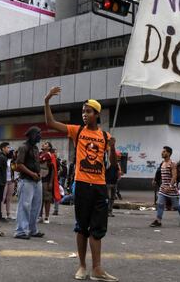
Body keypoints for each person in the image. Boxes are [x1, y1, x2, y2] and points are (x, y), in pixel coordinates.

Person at [45, 87, 118, 282]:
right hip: (82, 184)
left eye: (88, 111)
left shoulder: (105, 137)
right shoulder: (76, 131)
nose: (85, 115)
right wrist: (47, 101)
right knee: (81, 227)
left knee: (98, 229)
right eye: (83, 111)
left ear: (97, 114)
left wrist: (112, 148)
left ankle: (97, 268)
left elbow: (112, 165)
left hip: (100, 186)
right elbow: (50, 123)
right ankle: (82, 266)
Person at [14, 126, 45, 240]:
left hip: (37, 181)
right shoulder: (23, 147)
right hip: (26, 181)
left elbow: (36, 164)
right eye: (38, 134)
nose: (40, 136)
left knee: (36, 206)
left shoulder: (36, 148)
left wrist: (39, 173)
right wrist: (32, 174)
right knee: (25, 206)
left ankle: (32, 229)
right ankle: (20, 231)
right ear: (32, 135)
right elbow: (19, 165)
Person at [150, 146, 180, 228]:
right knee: (160, 203)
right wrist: (155, 180)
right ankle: (158, 221)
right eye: (162, 151)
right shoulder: (162, 163)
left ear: (168, 153)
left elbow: (174, 176)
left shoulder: (172, 164)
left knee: (176, 206)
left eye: (164, 151)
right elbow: (159, 173)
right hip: (163, 187)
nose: (162, 153)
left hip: (171, 189)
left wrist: (170, 186)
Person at [39, 142, 55, 224]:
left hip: (46, 180)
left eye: (45, 144)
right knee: (39, 199)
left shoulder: (50, 156)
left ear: (49, 148)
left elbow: (53, 170)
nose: (43, 144)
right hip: (38, 179)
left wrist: (51, 182)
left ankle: (47, 217)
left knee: (47, 199)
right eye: (43, 143)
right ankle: (39, 216)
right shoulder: (39, 154)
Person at [2, 148, 16, 220]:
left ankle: (8, 214)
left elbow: (16, 171)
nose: (14, 154)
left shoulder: (14, 161)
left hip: (11, 181)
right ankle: (1, 213)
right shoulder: (4, 159)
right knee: (3, 197)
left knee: (9, 198)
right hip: (4, 180)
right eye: (13, 153)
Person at [106, 151, 121, 217]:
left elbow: (118, 172)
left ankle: (109, 211)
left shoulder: (116, 164)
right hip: (108, 183)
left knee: (112, 198)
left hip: (114, 183)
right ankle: (106, 211)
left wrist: (118, 177)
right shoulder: (107, 163)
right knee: (108, 198)